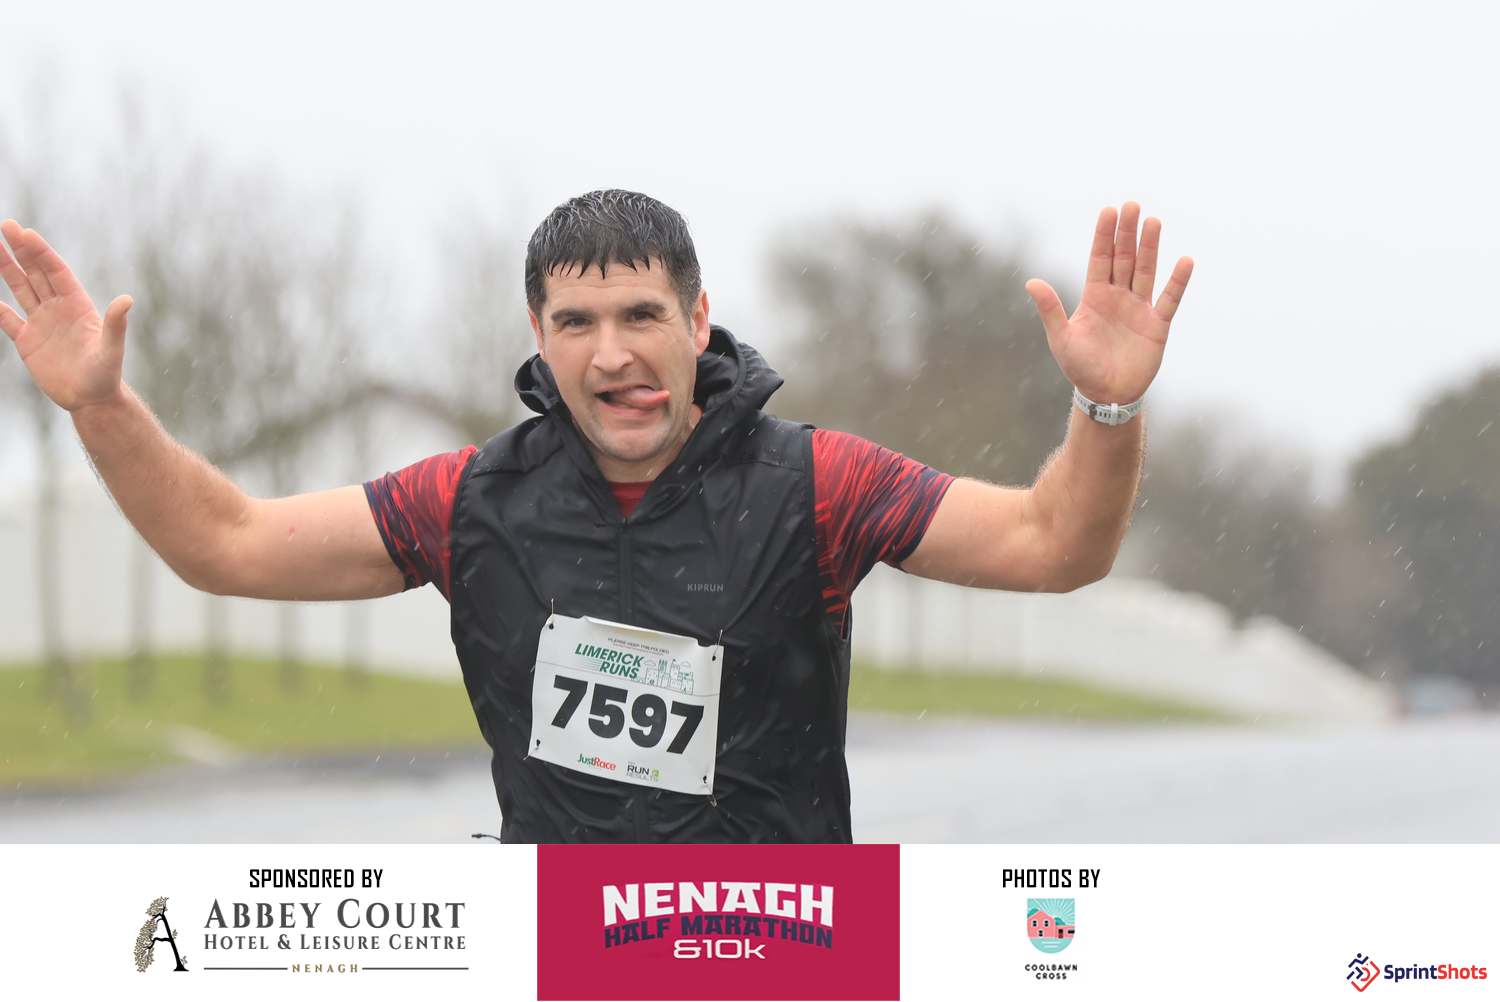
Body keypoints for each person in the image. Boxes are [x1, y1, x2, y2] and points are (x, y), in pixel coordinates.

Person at [0, 190, 1192, 842]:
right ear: (539, 335)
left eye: (640, 316)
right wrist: (101, 406)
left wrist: (1107, 405)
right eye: (576, 324)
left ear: (698, 321)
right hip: (560, 962)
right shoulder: (468, 500)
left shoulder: (818, 484)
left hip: (783, 959)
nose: (612, 354)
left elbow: (1055, 546)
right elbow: (226, 545)